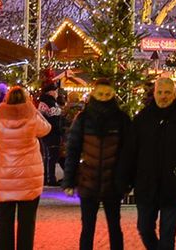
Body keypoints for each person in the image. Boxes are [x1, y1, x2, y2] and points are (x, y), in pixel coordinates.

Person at [121, 77, 176, 250]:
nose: (163, 96)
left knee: (168, 234)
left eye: (167, 92)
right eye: (160, 92)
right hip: (147, 183)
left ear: (174, 94)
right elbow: (131, 151)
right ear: (154, 93)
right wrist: (126, 179)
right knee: (144, 227)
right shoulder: (142, 118)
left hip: (174, 184)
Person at [63, 78, 130, 250]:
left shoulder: (121, 119)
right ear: (94, 93)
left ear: (113, 95)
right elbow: (73, 150)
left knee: (115, 227)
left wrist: (125, 180)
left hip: (113, 182)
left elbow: (128, 152)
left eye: (107, 94)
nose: (103, 97)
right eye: (100, 94)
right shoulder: (84, 119)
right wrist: (69, 180)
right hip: (88, 180)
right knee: (87, 228)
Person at [0, 85, 50, 250]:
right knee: (27, 222)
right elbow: (46, 129)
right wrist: (34, 110)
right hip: (29, 177)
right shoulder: (32, 118)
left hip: (5, 176)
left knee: (4, 222)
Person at [36, 84, 63, 187]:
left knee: (50, 156)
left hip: (51, 132)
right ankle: (49, 178)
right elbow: (49, 118)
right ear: (50, 92)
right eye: (55, 91)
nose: (56, 93)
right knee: (51, 156)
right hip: (50, 133)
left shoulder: (51, 102)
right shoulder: (47, 103)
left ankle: (49, 177)